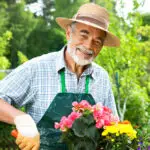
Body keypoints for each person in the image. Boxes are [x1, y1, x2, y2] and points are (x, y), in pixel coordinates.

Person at [0, 3, 120, 150]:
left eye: (97, 41)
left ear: (101, 47)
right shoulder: (37, 68)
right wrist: (23, 120)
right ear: (69, 33)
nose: (88, 46)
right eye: (84, 35)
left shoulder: (101, 77)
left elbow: (113, 127)